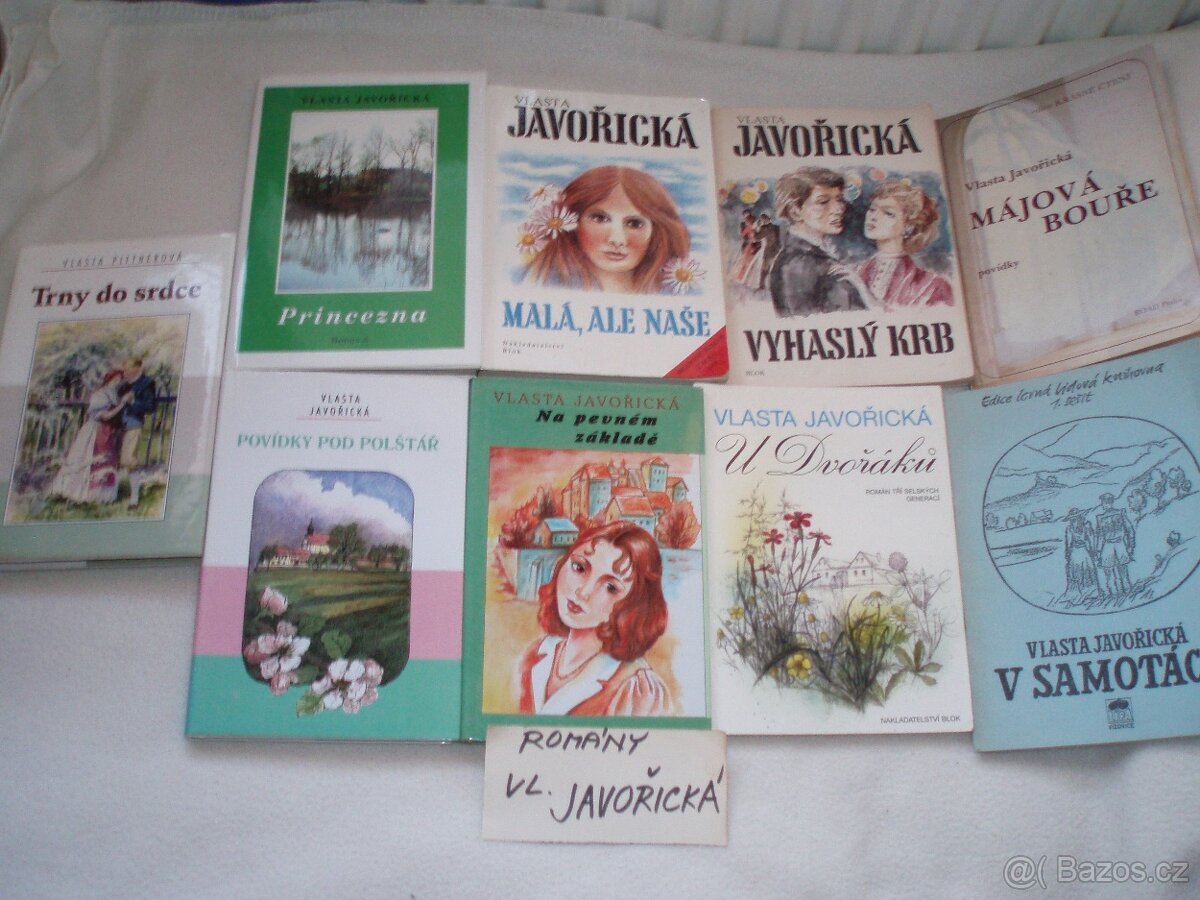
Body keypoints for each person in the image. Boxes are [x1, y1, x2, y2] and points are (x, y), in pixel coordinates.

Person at [517, 521, 674, 716]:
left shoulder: (637, 689)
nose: (583, 592)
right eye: (579, 568)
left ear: (634, 605)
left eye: (610, 587)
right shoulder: (536, 654)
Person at [524, 165, 690, 294]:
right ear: (572, 221)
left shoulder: (679, 294)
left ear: (657, 231)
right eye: (600, 219)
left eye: (634, 223)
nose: (617, 239)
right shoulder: (534, 280)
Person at [767, 167, 869, 316]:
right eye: (823, 202)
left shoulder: (810, 256)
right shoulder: (800, 263)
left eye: (839, 199)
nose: (838, 209)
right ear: (795, 211)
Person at [856, 181, 953, 309]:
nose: (873, 216)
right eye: (872, 209)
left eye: (888, 213)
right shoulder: (854, 272)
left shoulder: (932, 286)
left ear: (908, 226)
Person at [49, 367, 127, 505]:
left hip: (108, 432)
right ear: (108, 380)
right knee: (90, 458)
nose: (117, 382)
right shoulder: (99, 395)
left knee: (106, 461)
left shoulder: (114, 394)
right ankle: (79, 493)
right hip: (95, 431)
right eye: (115, 379)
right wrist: (122, 405)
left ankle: (103, 496)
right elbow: (105, 416)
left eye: (119, 380)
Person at [117, 358, 157, 509]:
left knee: (129, 460)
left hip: (133, 424)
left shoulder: (147, 383)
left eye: (128, 368)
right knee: (115, 459)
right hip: (117, 425)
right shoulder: (123, 384)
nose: (125, 372)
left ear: (138, 367)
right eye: (124, 369)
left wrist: (133, 402)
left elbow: (150, 407)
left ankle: (134, 498)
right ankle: (110, 494)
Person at [1093, 493, 1135, 601]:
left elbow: (1099, 537)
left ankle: (1118, 593)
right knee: (1118, 571)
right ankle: (1122, 593)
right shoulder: (1119, 513)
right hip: (1118, 545)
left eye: (1103, 503)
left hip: (1111, 545)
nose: (1102, 505)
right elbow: (1130, 529)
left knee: (1113, 572)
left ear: (1107, 503)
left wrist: (1098, 552)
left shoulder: (1102, 518)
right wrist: (1130, 545)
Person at [1061, 508, 1098, 605]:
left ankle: (1085, 595)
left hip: (1079, 552)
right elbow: (1089, 541)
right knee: (1081, 573)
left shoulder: (1079, 528)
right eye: (1072, 520)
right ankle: (1084, 595)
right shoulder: (1076, 528)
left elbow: (1069, 544)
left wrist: (1067, 555)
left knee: (1083, 572)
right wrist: (1092, 552)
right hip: (1079, 552)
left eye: (1074, 519)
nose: (1073, 521)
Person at [732, 210, 759, 283]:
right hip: (748, 245)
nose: (747, 218)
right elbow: (743, 235)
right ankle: (741, 276)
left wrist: (754, 238)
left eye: (748, 216)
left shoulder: (755, 223)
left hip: (754, 245)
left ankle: (750, 278)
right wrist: (749, 238)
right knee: (744, 261)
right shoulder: (743, 224)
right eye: (745, 216)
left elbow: (757, 233)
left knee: (752, 261)